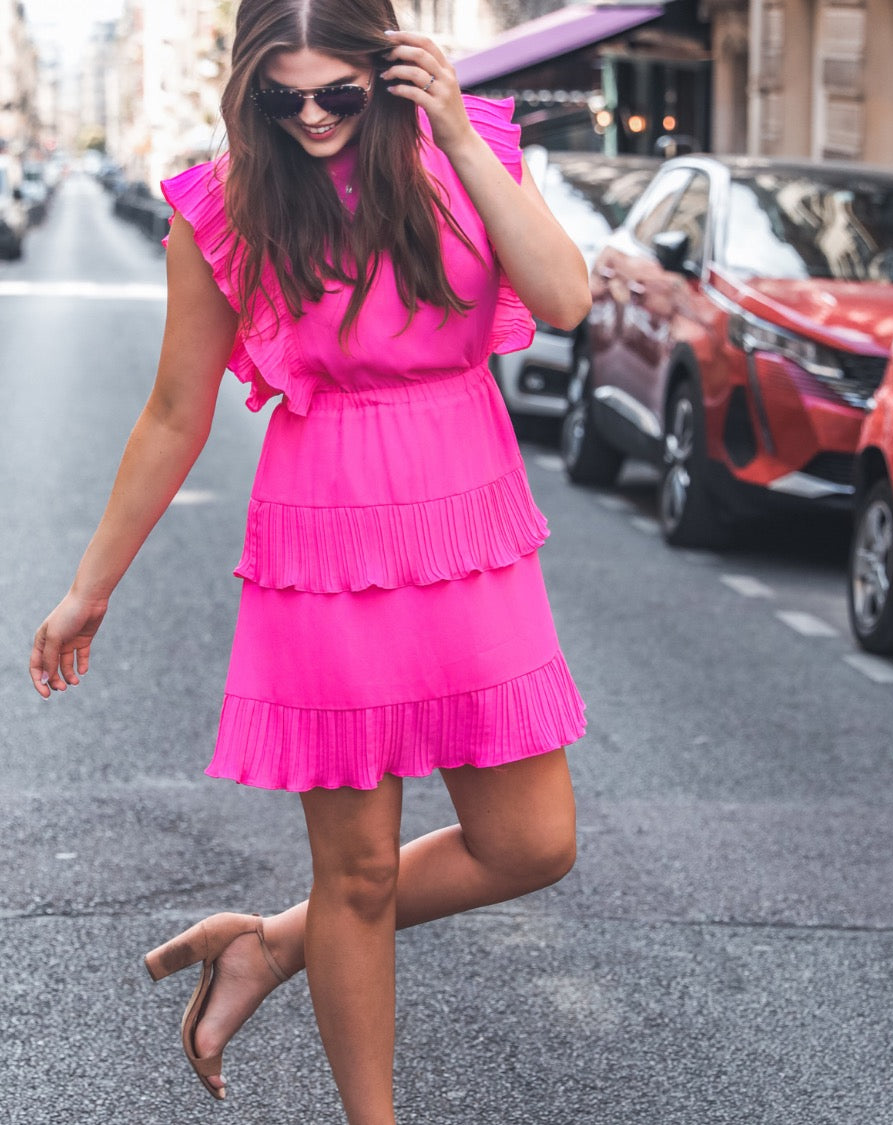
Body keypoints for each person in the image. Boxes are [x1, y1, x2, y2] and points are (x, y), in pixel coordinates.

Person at [29, 1, 590, 1121]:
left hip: (471, 526)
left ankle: (271, 944)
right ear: (250, 92)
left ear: (390, 69)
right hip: (323, 536)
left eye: (338, 92)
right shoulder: (228, 204)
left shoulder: (464, 150)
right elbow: (176, 410)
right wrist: (91, 586)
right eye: (282, 99)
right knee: (359, 873)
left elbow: (566, 299)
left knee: (532, 843)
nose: (313, 117)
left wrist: (458, 134)